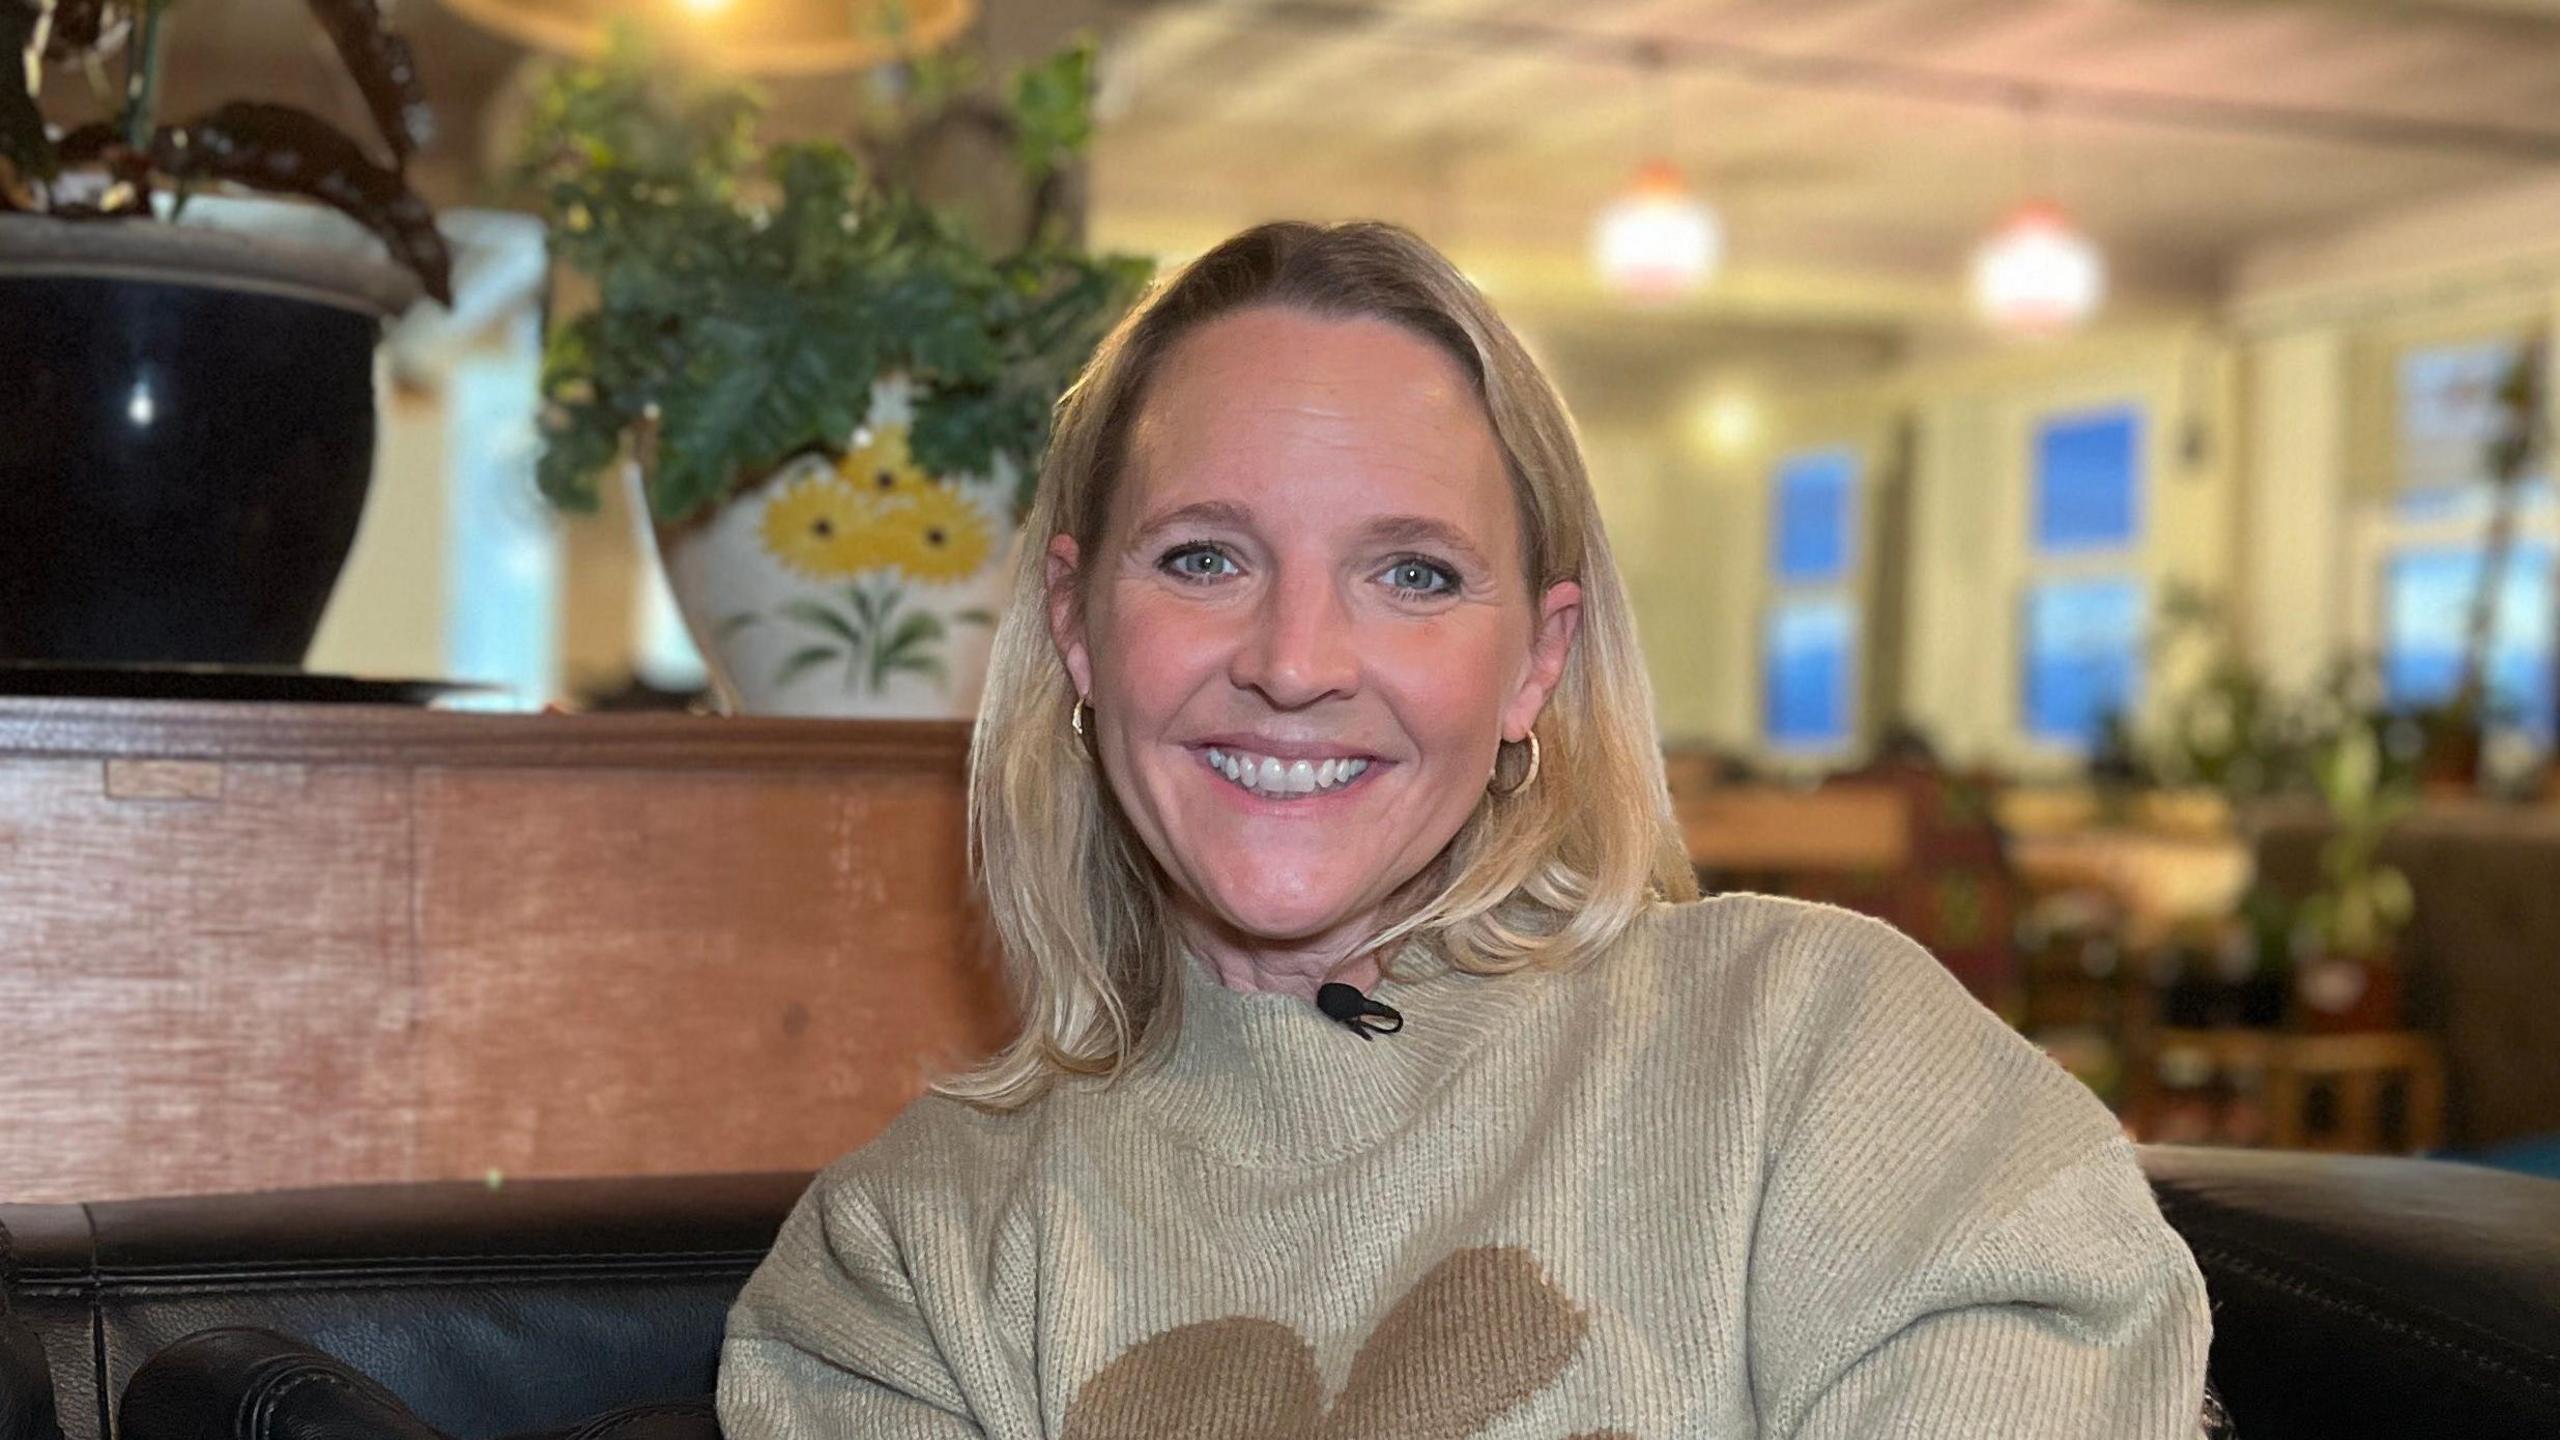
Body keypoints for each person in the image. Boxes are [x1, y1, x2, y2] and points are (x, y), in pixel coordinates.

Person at [717, 220, 2212, 1438]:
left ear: (1538, 663)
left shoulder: (1823, 1064)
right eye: (1204, 555)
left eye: (1415, 574)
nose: (1297, 661)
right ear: (1078, 628)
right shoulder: (909, 1267)